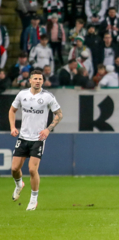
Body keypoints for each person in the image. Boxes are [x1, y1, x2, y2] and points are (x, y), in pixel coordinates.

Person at [9, 69, 63, 211]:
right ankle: (19, 184)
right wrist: (13, 127)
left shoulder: (47, 97)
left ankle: (33, 199)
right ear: (30, 80)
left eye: (40, 79)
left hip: (38, 138)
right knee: (14, 169)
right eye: (36, 78)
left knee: (32, 169)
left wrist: (48, 129)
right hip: (23, 136)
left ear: (42, 81)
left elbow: (59, 114)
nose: (38, 81)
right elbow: (12, 110)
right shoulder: (22, 94)